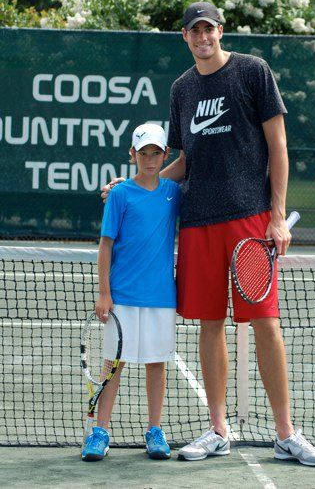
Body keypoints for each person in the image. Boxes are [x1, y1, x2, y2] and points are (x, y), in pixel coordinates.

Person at [102, 2, 315, 467]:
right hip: (199, 223)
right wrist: (139, 185)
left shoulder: (253, 72)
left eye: (209, 29)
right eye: (194, 31)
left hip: (249, 219)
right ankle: (218, 429)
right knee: (210, 324)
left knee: (266, 322)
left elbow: (278, 144)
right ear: (185, 37)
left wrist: (276, 213)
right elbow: (184, 160)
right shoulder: (182, 90)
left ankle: (286, 434)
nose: (203, 37)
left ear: (220, 31)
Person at [82, 123, 180, 462]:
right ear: (132, 155)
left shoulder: (173, 193)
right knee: (113, 365)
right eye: (143, 153)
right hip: (122, 297)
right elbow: (105, 245)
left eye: (156, 153)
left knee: (156, 364)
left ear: (166, 155)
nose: (149, 159)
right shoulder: (121, 194)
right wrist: (104, 293)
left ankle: (155, 430)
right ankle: (99, 431)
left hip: (162, 298)